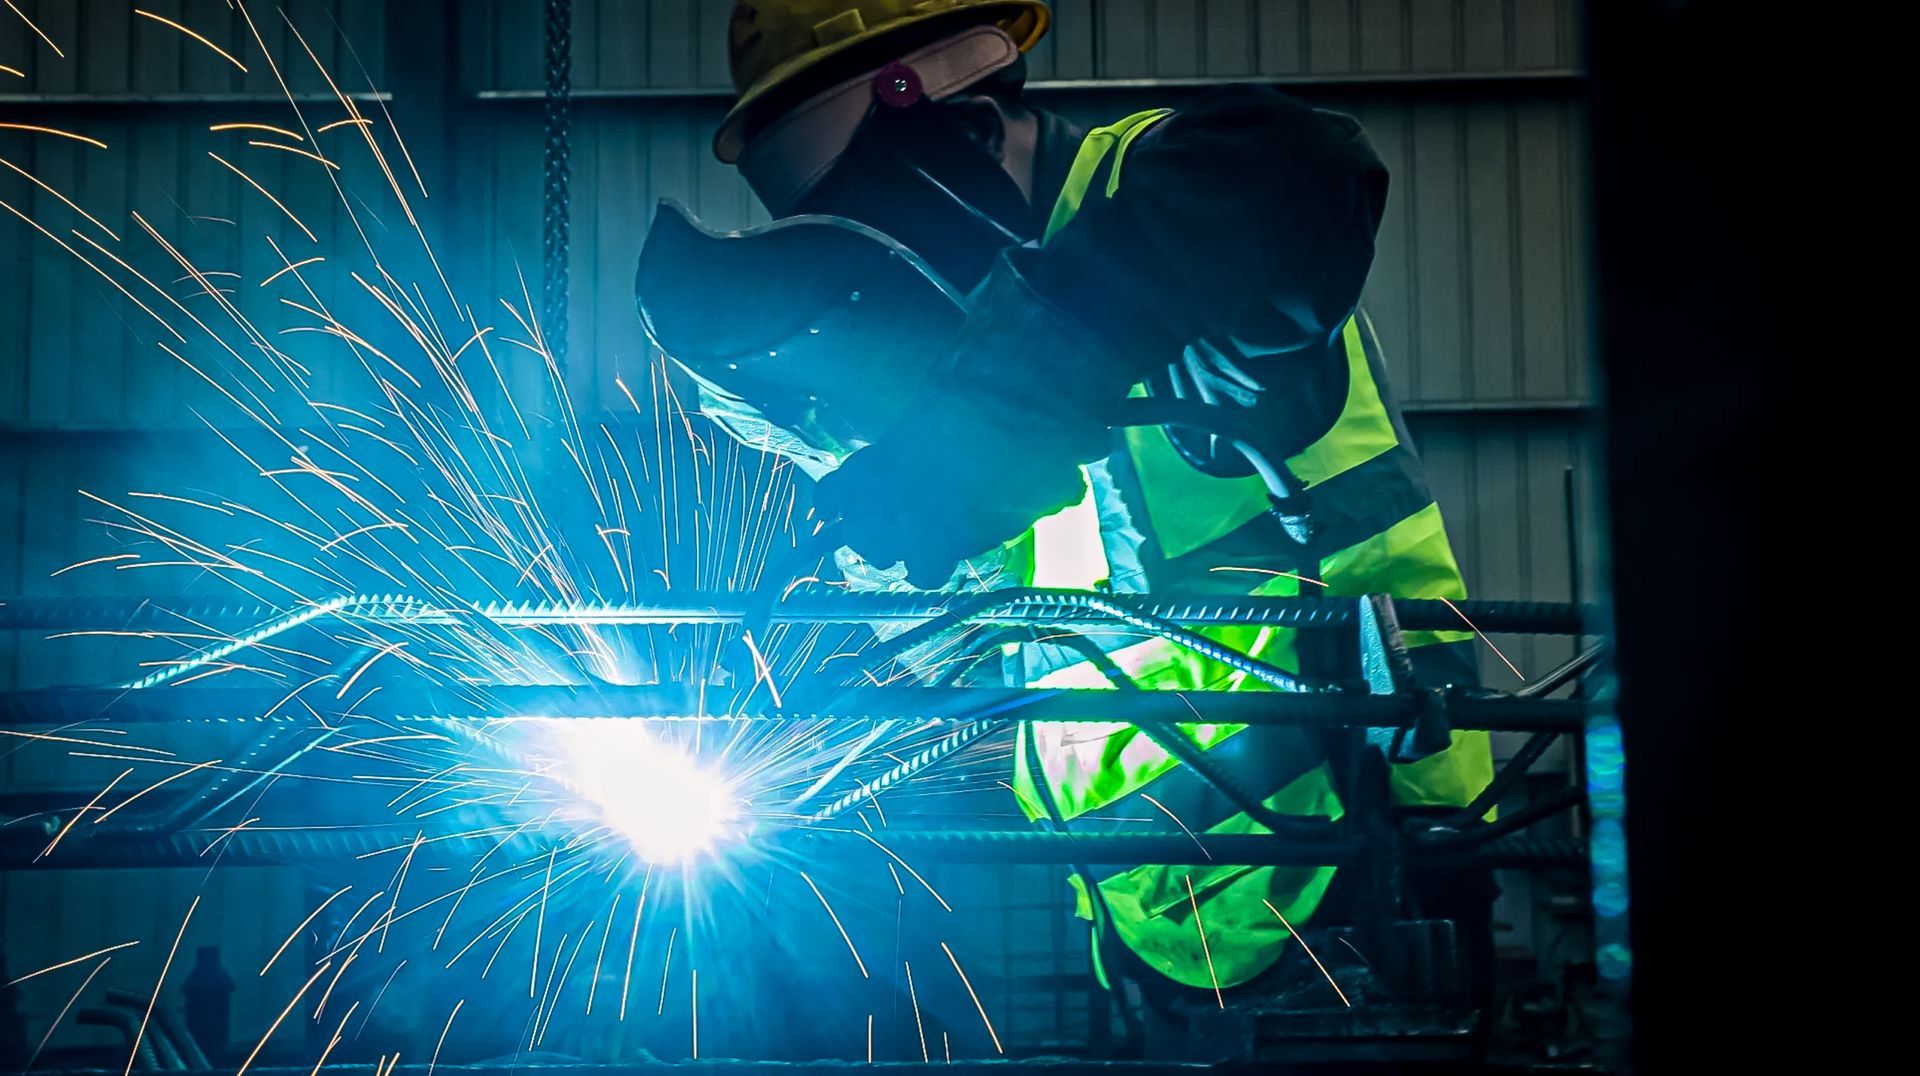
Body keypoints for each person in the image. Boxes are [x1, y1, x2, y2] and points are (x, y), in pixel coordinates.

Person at [648, 0, 1497, 1036]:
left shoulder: (1177, 196)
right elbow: (980, 638)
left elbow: (1311, 163)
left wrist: (1008, 400)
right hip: (1145, 926)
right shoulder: (970, 349)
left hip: (1363, 871)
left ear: (940, 118)